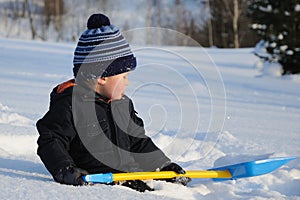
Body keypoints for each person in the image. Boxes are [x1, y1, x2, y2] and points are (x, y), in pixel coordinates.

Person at [36, 13, 190, 192]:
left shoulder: (123, 105)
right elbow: (51, 139)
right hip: (96, 183)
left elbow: (137, 142)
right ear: (102, 77)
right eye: (123, 76)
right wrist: (64, 169)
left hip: (129, 176)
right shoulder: (71, 105)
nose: (127, 82)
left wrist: (162, 166)